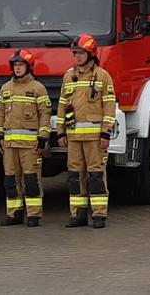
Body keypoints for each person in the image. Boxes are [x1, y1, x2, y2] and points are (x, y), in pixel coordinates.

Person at [56, 32, 117, 228]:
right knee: (74, 176)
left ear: (91, 54)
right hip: (73, 136)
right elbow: (62, 105)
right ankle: (78, 215)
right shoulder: (69, 76)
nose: (78, 56)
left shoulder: (102, 76)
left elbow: (109, 106)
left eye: (81, 53)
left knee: (96, 175)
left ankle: (99, 215)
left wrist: (106, 133)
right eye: (76, 53)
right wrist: (61, 132)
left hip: (94, 138)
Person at [0, 48, 51, 227]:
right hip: (9, 145)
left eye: (21, 65)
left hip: (30, 145)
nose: (18, 68)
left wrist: (43, 136)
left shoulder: (37, 88)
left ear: (29, 67)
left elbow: (45, 114)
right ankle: (14, 214)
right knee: (10, 179)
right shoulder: (5, 88)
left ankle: (33, 215)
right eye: (15, 65)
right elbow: (0, 113)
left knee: (31, 180)